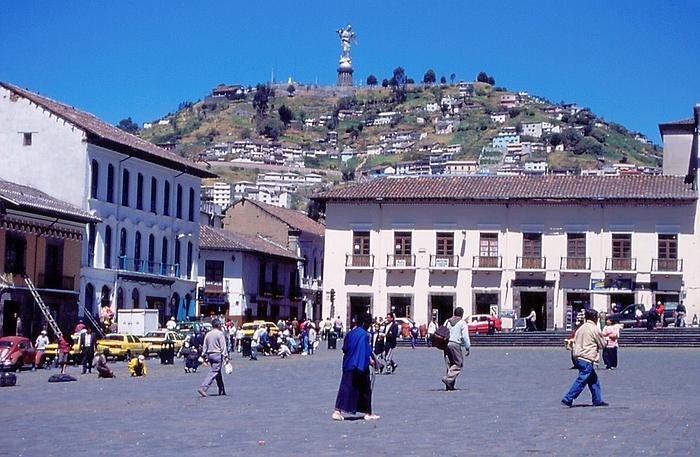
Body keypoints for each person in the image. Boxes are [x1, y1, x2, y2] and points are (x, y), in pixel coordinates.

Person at [332, 312, 379, 421]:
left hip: (348, 364)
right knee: (366, 389)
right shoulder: (364, 335)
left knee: (345, 388)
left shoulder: (350, 333)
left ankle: (337, 411)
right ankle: (368, 412)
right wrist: (370, 361)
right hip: (359, 365)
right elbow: (364, 350)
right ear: (364, 323)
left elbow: (345, 348)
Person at [561, 308, 608, 407]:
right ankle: (568, 398)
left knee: (593, 379)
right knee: (582, 379)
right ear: (595, 318)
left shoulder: (581, 328)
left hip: (577, 356)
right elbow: (602, 344)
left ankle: (597, 400)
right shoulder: (594, 329)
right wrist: (606, 340)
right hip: (586, 357)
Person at [197, 319, 229, 397]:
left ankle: (221, 390)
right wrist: (226, 356)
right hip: (217, 355)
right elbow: (223, 346)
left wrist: (203, 355)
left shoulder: (208, 334)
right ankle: (203, 387)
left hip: (210, 355)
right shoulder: (220, 334)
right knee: (214, 372)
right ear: (218, 325)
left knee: (217, 372)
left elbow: (205, 346)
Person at [442, 307, 471, 391]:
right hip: (455, 344)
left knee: (449, 365)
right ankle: (447, 379)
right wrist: (467, 347)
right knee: (458, 364)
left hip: (446, 344)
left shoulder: (447, 321)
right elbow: (465, 336)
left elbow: (443, 331)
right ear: (462, 314)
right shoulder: (462, 323)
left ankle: (449, 386)